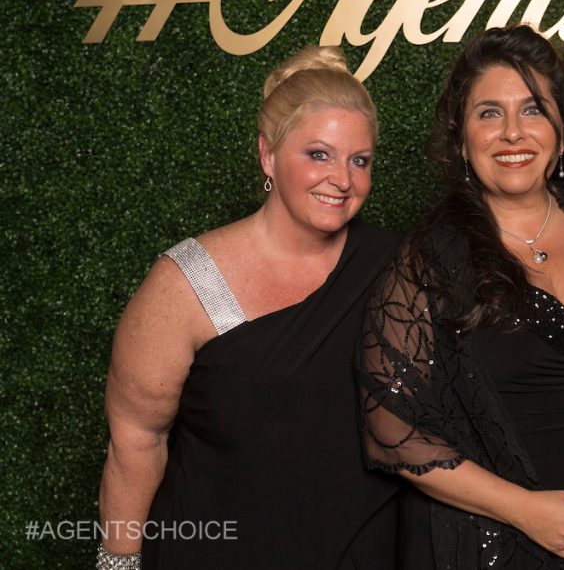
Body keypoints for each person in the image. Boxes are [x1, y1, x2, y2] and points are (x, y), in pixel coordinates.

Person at [357, 25, 564, 569]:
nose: (513, 133)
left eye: (533, 110)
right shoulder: (431, 258)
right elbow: (390, 429)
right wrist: (522, 510)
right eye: (489, 113)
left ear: (561, 131)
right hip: (512, 546)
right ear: (462, 139)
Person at [97, 46, 401, 569]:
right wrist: (117, 566)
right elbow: (136, 440)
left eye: (360, 161)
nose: (343, 180)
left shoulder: (394, 265)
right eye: (319, 155)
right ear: (268, 154)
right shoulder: (186, 282)